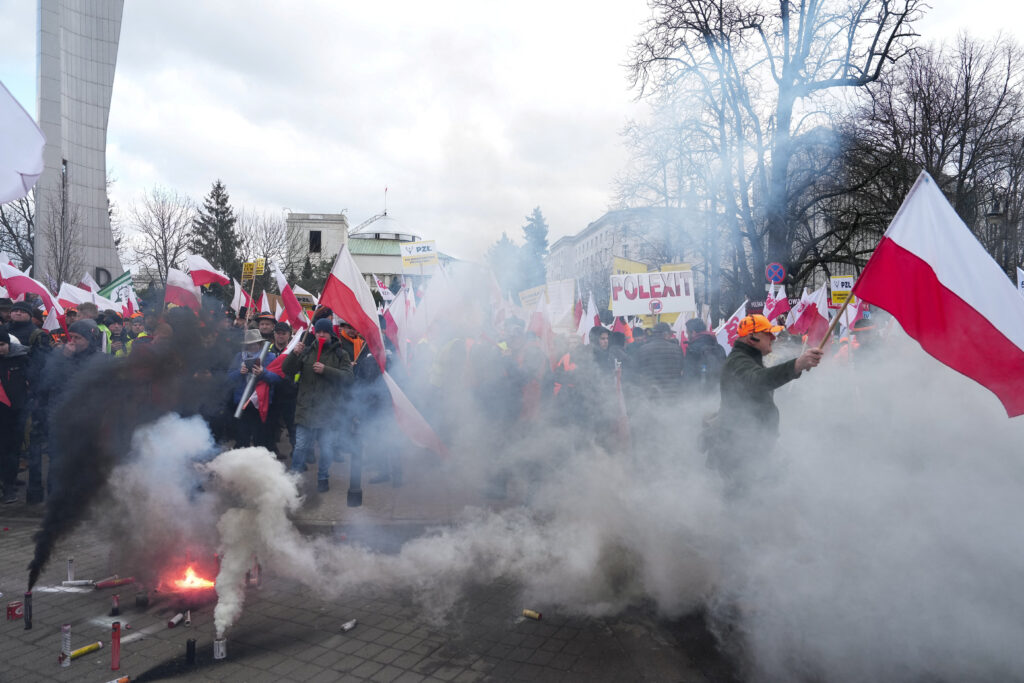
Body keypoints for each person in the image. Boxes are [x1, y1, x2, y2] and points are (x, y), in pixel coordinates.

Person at [704, 314, 822, 490]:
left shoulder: (747, 360)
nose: (773, 338)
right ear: (753, 337)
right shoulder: (739, 361)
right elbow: (758, 380)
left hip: (750, 445)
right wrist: (796, 365)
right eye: (768, 333)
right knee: (744, 499)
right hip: (741, 450)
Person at [282, 318, 354, 492]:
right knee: (300, 446)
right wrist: (294, 354)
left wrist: (326, 370)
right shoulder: (306, 351)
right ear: (314, 332)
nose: (321, 334)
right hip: (306, 408)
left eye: (325, 331)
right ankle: (295, 479)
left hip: (328, 409)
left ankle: (323, 477)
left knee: (326, 447)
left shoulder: (340, 354)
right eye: (319, 331)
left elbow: (349, 378)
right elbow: (287, 370)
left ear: (331, 333)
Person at [228, 329, 282, 449]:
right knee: (242, 437)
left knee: (261, 438)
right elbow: (229, 377)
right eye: (250, 344)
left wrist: (263, 373)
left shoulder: (270, 357)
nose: (253, 346)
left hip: (261, 403)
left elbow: (277, 378)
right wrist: (239, 372)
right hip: (242, 402)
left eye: (255, 343)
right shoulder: (239, 357)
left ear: (260, 343)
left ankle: (259, 464)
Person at [0, 330, 29, 504]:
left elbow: (31, 380)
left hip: (16, 413)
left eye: (2, 345)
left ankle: (9, 485)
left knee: (12, 451)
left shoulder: (21, 359)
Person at [633, 322, 684, 398]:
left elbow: (638, 372)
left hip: (652, 394)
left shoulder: (643, 349)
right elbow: (681, 369)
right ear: (665, 334)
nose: (671, 337)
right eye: (670, 334)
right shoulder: (677, 349)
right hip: (673, 394)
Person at [682, 317, 726, 397]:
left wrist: (686, 394)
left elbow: (689, 375)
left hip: (698, 393)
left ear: (693, 332)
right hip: (716, 392)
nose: (687, 335)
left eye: (687, 333)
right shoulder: (719, 347)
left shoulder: (692, 349)